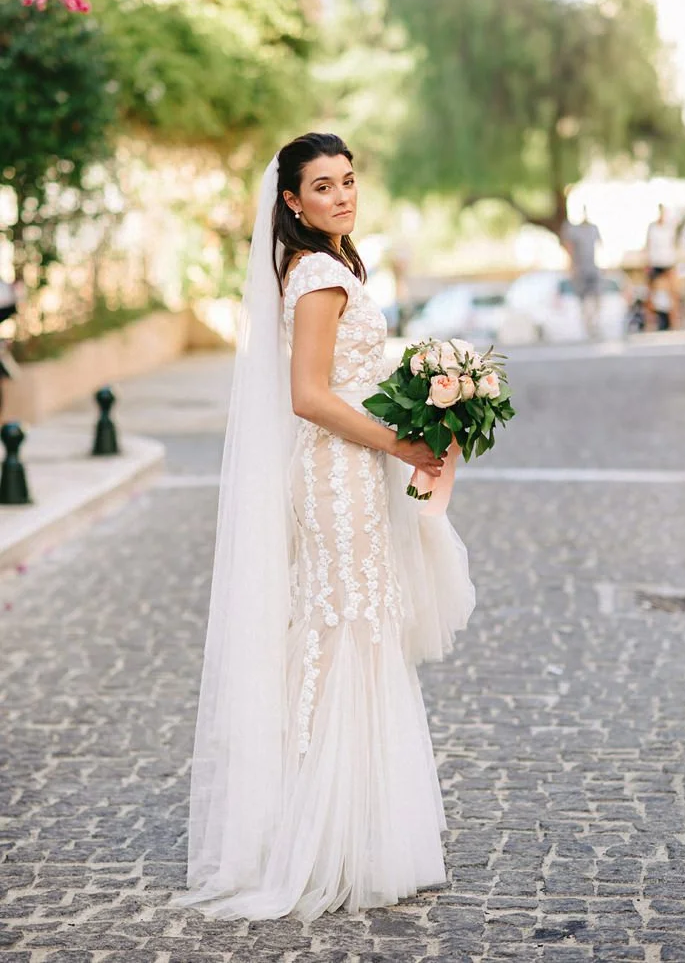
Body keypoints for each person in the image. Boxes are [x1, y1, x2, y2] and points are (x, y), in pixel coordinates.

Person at [173, 133, 475, 922]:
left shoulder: (334, 265)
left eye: (347, 181)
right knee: (348, 631)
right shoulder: (315, 275)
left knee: (359, 630)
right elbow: (308, 395)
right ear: (292, 201)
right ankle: (331, 840)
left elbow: (349, 378)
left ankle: (359, 826)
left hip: (354, 468)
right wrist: (400, 442)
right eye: (322, 186)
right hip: (336, 475)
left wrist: (425, 404)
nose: (341, 196)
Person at [562, 208, 603, 338]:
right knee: (582, 298)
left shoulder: (594, 229)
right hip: (580, 269)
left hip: (593, 268)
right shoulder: (573, 230)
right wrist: (571, 267)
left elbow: (600, 247)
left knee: (597, 296)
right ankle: (586, 325)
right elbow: (569, 248)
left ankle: (594, 322)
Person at [644, 204, 679, 331]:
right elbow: (648, 244)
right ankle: (650, 323)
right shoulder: (652, 227)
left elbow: (673, 244)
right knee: (650, 294)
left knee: (673, 293)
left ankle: (674, 323)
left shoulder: (670, 227)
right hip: (655, 262)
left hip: (668, 262)